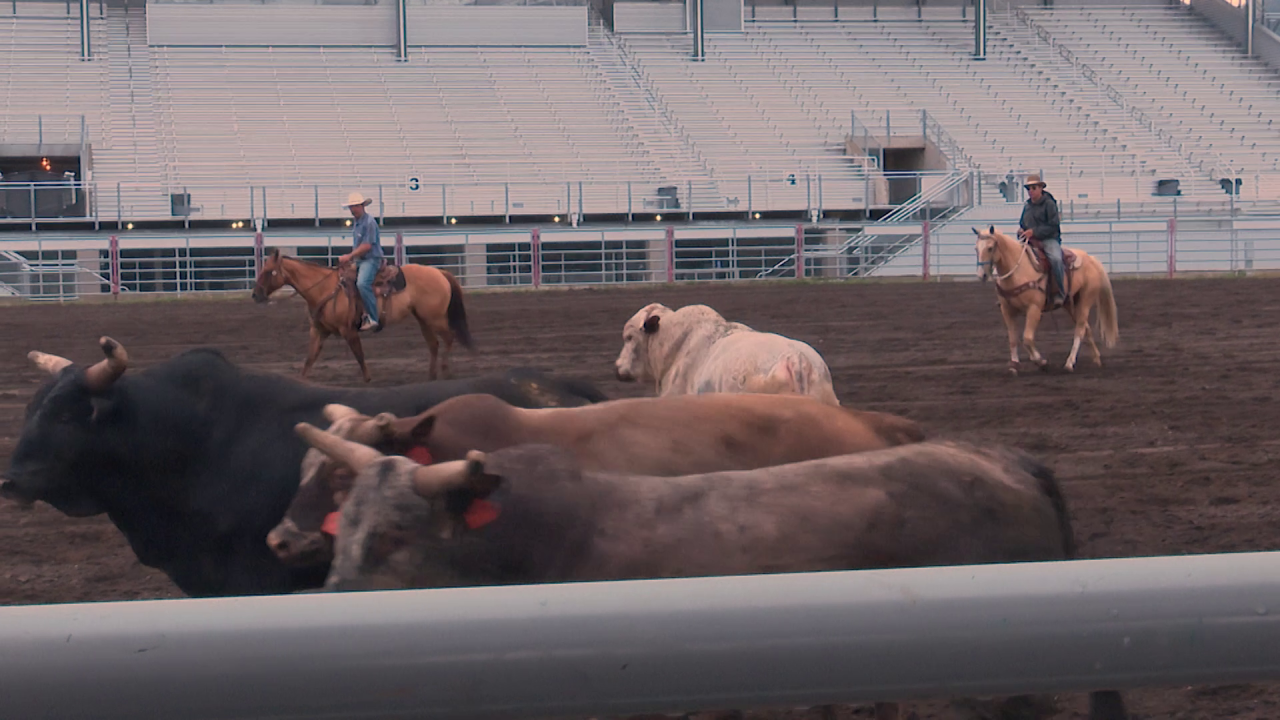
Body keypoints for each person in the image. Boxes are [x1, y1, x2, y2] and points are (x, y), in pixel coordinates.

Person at [1017, 174, 1067, 309]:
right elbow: (1022, 223)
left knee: (1056, 259)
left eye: (1033, 188)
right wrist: (1021, 231)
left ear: (1041, 188)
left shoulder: (1050, 204)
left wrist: (1034, 232)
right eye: (1028, 188)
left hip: (1049, 239)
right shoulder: (1027, 206)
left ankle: (1061, 293)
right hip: (1030, 241)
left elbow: (1053, 226)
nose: (1031, 191)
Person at [339, 191, 384, 332]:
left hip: (371, 259)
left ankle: (373, 317)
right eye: (351, 207)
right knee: (344, 279)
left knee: (362, 283)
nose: (353, 209)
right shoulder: (357, 223)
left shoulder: (369, 222)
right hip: (361, 260)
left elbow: (366, 246)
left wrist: (349, 256)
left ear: (362, 206)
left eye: (355, 206)